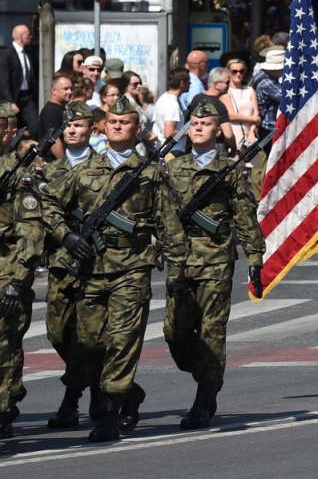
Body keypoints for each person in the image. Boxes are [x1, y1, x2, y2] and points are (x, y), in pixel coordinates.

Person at [40, 95, 188, 442]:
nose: (117, 125)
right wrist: (67, 237)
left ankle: (109, 413)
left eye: (125, 121)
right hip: (89, 269)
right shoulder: (84, 170)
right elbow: (48, 203)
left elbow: (169, 226)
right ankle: (129, 392)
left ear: (137, 129)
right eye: (112, 121)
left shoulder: (150, 173)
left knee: (122, 341)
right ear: (103, 127)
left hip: (131, 270)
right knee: (89, 343)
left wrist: (178, 275)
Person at [163, 100, 265, 428]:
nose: (197, 127)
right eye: (193, 122)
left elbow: (245, 216)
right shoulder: (174, 169)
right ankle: (210, 372)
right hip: (180, 259)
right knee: (174, 331)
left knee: (211, 331)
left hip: (216, 260)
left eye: (204, 123)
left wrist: (255, 257)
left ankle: (204, 395)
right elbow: (161, 216)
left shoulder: (229, 169)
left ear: (217, 130)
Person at [39, 101, 104, 429]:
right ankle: (96, 383)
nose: (72, 130)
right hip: (62, 260)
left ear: (92, 129)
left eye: (79, 125)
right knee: (57, 332)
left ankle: (71, 401)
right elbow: (42, 213)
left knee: (88, 335)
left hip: (95, 262)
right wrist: (64, 237)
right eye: (68, 126)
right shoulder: (52, 170)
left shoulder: (106, 167)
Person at [0, 100, 45, 440]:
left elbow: (31, 231)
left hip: (6, 270)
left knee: (4, 345)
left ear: (10, 133)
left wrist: (17, 281)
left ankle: (2, 410)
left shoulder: (21, 173)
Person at [188, 68, 237, 157]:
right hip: (216, 148)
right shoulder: (218, 105)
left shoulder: (196, 98)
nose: (229, 85)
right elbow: (228, 134)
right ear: (216, 84)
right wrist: (233, 148)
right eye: (227, 82)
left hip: (196, 147)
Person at [0, 25, 39, 137]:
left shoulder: (28, 53)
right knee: (10, 130)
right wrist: (10, 102)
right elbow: (3, 81)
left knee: (35, 126)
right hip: (12, 98)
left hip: (27, 97)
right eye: (28, 34)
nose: (30, 36)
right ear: (21, 36)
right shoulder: (6, 54)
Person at [221, 58, 260, 149]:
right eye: (234, 71)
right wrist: (254, 119)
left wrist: (252, 131)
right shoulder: (225, 92)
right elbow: (231, 115)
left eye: (241, 71)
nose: (238, 74)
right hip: (232, 135)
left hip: (250, 137)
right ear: (228, 72)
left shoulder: (250, 90)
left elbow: (256, 113)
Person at [37, 72, 73, 160]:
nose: (70, 92)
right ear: (54, 91)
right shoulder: (51, 111)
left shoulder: (60, 109)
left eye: (71, 88)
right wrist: (64, 164)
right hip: (53, 163)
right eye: (65, 89)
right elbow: (54, 140)